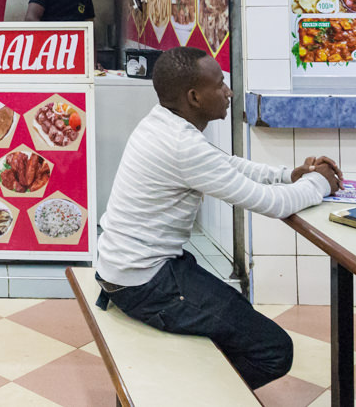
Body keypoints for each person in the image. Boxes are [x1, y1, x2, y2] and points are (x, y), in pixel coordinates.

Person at [96, 46, 342, 390]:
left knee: (236, 314)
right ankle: (189, 397)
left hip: (127, 268)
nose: (228, 92)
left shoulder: (162, 122)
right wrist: (320, 183)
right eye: (221, 84)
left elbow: (224, 164)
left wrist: (289, 175)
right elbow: (270, 204)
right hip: (144, 282)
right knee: (273, 350)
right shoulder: (182, 146)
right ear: (195, 97)